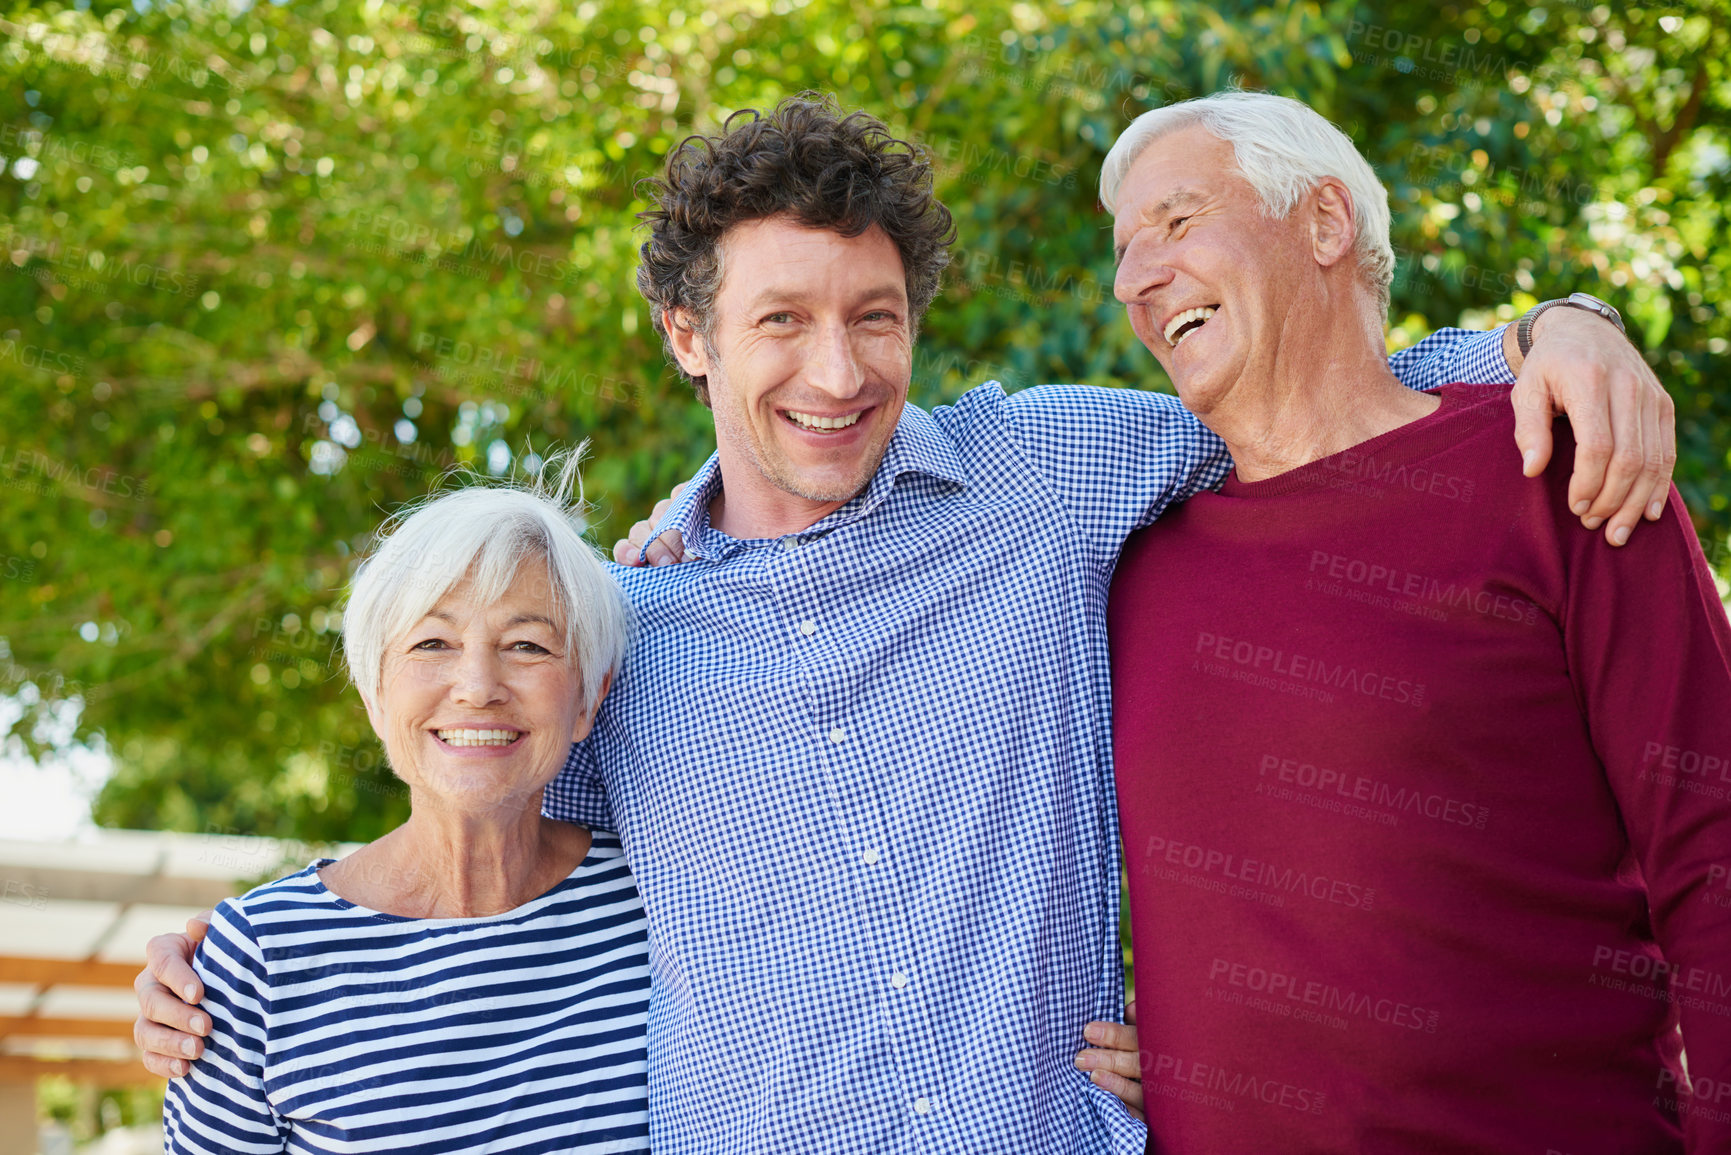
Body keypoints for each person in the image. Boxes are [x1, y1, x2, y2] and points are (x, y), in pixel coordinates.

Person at [137, 94, 1677, 1153]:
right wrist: (242, 960)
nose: (838, 369)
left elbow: (1311, 392)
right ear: (688, 337)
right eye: (781, 322)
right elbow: (479, 827)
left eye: (874, 316)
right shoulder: (627, 627)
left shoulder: (1050, 473)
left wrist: (1554, 336)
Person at [1102, 91, 1730, 1151]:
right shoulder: (1127, 564)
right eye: (1122, 253)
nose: (1135, 279)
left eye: (1176, 222)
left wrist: (1570, 318)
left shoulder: (1555, 465)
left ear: (1325, 224)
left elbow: (1711, 851)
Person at [161, 456, 650, 1154]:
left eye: (527, 644)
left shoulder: (655, 898)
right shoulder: (260, 957)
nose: (477, 685)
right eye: (432, 642)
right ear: (375, 695)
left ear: (587, 700)